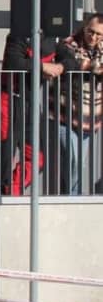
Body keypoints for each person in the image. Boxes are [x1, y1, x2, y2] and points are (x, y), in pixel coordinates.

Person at [0, 31, 63, 195]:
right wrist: (43, 67)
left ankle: (10, 191)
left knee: (39, 157)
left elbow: (71, 60)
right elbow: (13, 62)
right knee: (5, 154)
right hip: (7, 99)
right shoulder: (17, 35)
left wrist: (60, 67)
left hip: (30, 103)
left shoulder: (54, 37)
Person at [49, 14, 103, 195]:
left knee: (79, 164)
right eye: (91, 31)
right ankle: (72, 198)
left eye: (99, 34)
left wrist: (93, 66)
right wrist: (94, 67)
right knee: (73, 160)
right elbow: (74, 63)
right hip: (65, 114)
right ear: (85, 27)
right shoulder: (70, 43)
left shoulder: (101, 47)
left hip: (89, 117)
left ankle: (71, 197)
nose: (93, 37)